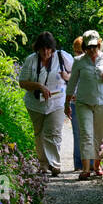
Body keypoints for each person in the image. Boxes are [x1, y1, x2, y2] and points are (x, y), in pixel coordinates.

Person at [64, 29, 103, 179]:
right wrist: (67, 102)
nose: (92, 50)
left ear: (99, 44)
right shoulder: (79, 61)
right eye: (88, 47)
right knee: (86, 134)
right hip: (83, 102)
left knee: (101, 135)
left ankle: (97, 165)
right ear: (84, 48)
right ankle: (85, 169)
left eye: (94, 46)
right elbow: (72, 82)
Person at [18, 32, 71, 175]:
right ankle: (43, 165)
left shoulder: (62, 57)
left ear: (52, 48)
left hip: (57, 102)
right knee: (39, 133)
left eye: (48, 48)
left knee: (53, 132)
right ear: (37, 48)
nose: (45, 52)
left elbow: (76, 74)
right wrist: (39, 86)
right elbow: (22, 82)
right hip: (35, 104)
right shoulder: (31, 60)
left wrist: (68, 77)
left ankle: (55, 164)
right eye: (42, 49)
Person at [68, 35, 84, 172]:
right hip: (76, 101)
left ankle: (87, 163)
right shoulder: (76, 61)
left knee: (85, 133)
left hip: (86, 100)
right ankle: (79, 164)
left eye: (80, 51)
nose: (78, 54)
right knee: (78, 133)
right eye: (76, 51)